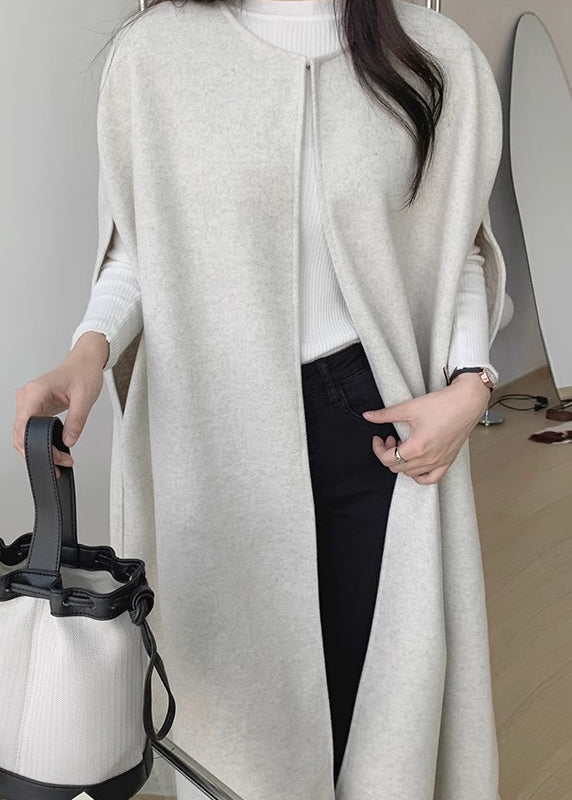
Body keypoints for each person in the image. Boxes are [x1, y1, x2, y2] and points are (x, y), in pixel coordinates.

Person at [13, 0, 503, 794]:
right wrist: (86, 351)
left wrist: (471, 386)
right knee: (235, 710)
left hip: (378, 418)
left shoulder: (433, 54)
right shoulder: (156, 55)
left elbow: (458, 251)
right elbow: (139, 250)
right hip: (217, 424)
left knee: (372, 692)